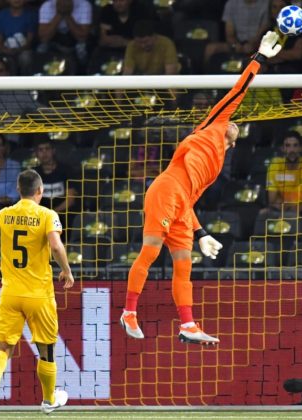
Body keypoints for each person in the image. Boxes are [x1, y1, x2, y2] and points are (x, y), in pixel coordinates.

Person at [120, 31, 282, 345]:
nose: (234, 122)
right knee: (151, 251)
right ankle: (128, 311)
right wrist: (260, 56)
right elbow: (238, 90)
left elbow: (188, 200)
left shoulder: (216, 166)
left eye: (237, 128)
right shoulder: (213, 125)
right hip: (165, 189)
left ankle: (188, 325)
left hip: (181, 203)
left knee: (184, 263)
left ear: (234, 144)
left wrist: (202, 233)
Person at [0, 169, 74, 416]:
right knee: (46, 350)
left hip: (10, 294)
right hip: (39, 295)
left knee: (3, 347)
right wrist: (67, 271)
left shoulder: (4, 214)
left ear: (18, 190)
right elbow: (56, 246)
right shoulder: (47, 215)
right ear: (40, 191)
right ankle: (48, 400)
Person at [263, 131, 302, 217]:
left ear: (300, 148)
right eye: (288, 146)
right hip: (282, 207)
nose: (292, 150)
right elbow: (272, 200)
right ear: (282, 149)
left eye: (295, 145)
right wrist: (286, 207)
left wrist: (298, 207)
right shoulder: (275, 165)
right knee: (263, 213)